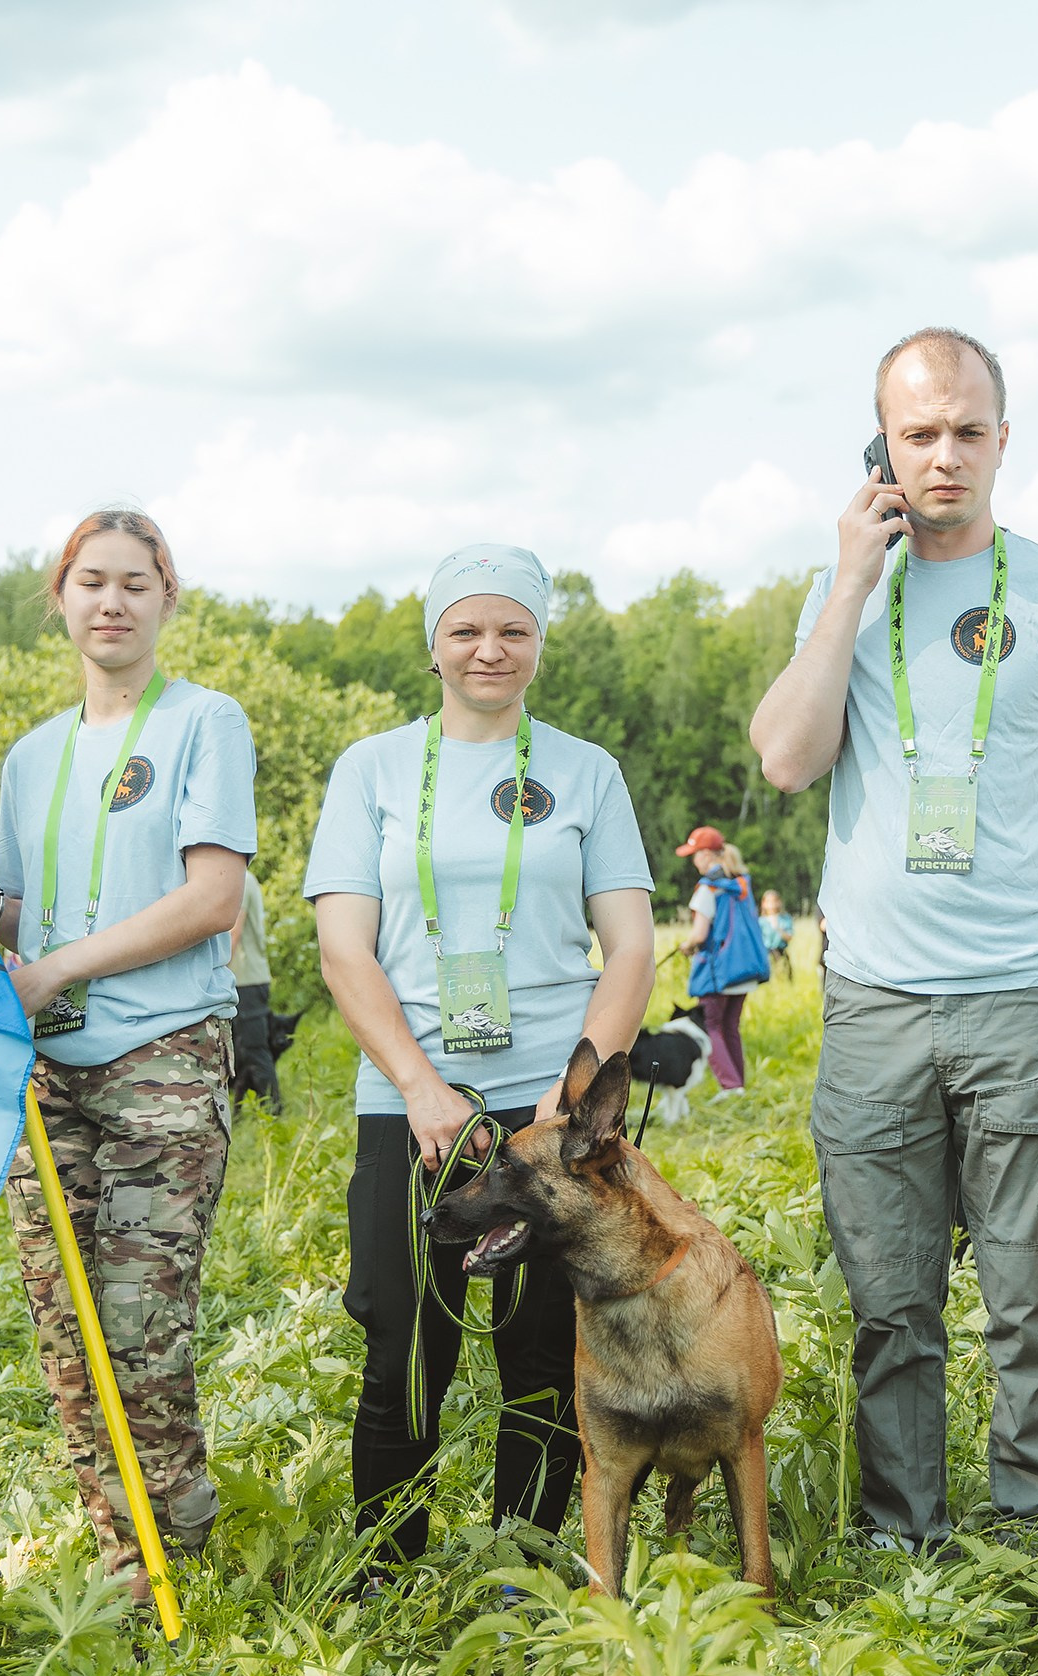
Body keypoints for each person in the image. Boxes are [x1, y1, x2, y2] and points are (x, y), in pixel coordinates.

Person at [749, 326, 1038, 1550]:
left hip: (1026, 994)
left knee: (1034, 1296)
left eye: (967, 432)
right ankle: (901, 1534)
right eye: (918, 435)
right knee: (891, 1303)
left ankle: (1032, 1532)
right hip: (876, 1003)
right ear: (881, 446)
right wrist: (847, 586)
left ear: (1002, 440)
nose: (944, 456)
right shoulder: (846, 595)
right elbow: (785, 760)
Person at [307, 545, 655, 1578]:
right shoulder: (371, 769)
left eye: (512, 629)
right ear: (433, 645)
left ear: (540, 642)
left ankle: (526, 1572)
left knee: (543, 1354)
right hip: (410, 1103)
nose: (488, 649)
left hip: (547, 1115)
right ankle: (387, 1573)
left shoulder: (585, 771)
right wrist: (420, 1088)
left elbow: (631, 947)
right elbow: (343, 949)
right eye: (465, 629)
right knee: (403, 1345)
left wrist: (573, 1102)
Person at [0, 509, 257, 1600]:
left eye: (135, 581)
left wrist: (55, 969)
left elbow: (211, 900)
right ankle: (122, 1553)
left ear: (168, 596)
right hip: (48, 1075)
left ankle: (182, 1549)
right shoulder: (32, 755)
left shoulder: (205, 722)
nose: (112, 601)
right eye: (91, 581)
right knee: (67, 1326)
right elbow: (25, 914)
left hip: (163, 1059)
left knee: (139, 1323)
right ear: (61, 597)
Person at [678, 827, 765, 1095]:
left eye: (695, 854)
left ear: (706, 854)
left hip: (718, 970)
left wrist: (686, 946)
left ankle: (730, 1086)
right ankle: (739, 1085)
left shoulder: (708, 889)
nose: (694, 861)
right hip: (744, 968)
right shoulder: (741, 885)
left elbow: (700, 934)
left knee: (708, 1026)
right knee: (730, 1027)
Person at [227, 867, 282, 1113]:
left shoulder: (241, 879)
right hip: (240, 980)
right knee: (240, 1052)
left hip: (247, 980)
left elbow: (232, 933)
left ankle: (275, 1112)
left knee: (254, 1051)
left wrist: (212, 973)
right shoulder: (239, 878)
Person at [757, 889, 796, 981]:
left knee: (784, 976)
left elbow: (789, 937)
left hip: (781, 951)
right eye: (768, 902)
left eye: (774, 901)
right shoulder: (760, 921)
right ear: (763, 904)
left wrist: (778, 928)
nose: (771, 904)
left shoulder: (785, 918)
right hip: (767, 954)